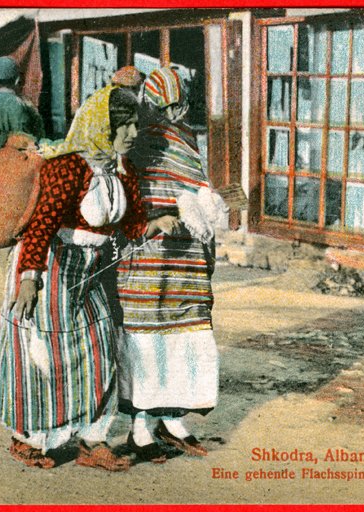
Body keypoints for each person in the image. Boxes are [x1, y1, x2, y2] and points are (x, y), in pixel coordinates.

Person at [0, 84, 180, 471]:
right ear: (100, 126)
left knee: (100, 346)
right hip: (49, 266)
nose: (132, 134)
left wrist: (158, 223)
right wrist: (28, 281)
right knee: (45, 355)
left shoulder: (122, 170)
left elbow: (132, 225)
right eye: (123, 126)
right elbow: (40, 227)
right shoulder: (69, 167)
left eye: (135, 125)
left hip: (89, 271)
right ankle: (33, 440)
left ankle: (93, 440)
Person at [117, 67, 224, 460]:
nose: (177, 112)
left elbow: (194, 187)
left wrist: (207, 204)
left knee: (180, 339)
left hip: (183, 259)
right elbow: (135, 195)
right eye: (174, 105)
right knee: (150, 341)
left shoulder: (185, 139)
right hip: (150, 257)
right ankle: (141, 426)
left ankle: (173, 417)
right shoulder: (140, 140)